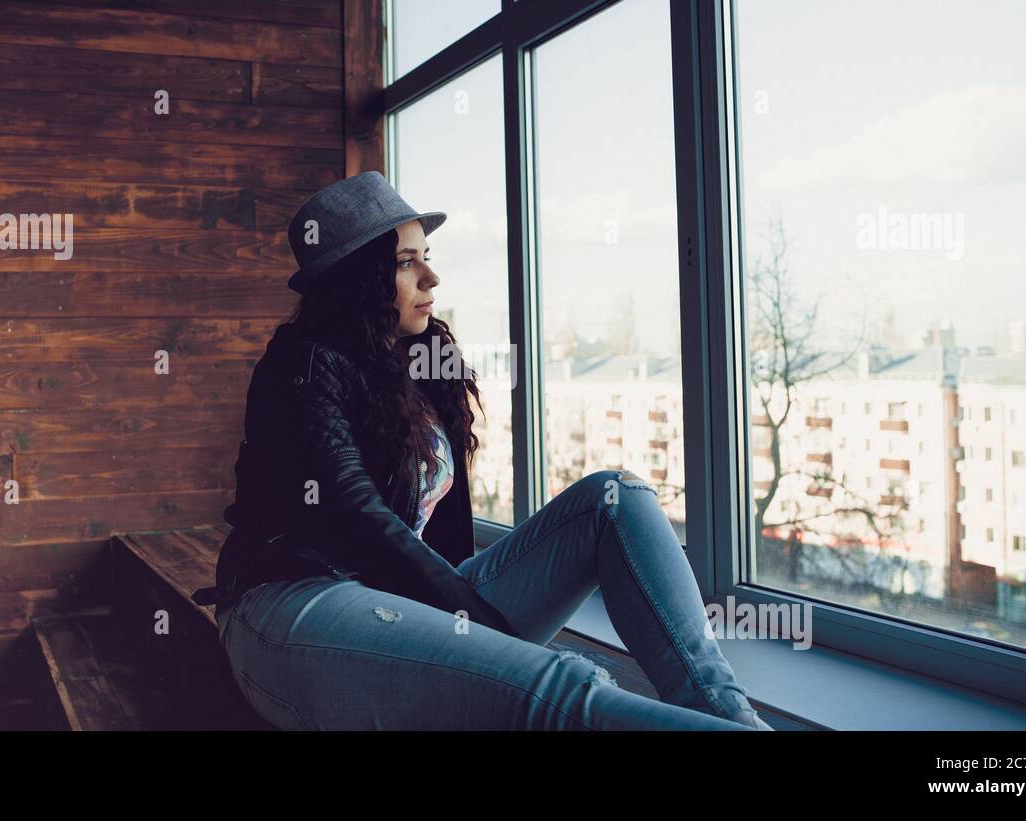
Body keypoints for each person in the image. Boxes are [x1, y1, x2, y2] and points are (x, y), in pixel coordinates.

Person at [204, 171, 772, 731]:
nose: (432, 277)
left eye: (426, 255)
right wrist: (484, 629)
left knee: (613, 499)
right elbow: (358, 519)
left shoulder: (417, 364)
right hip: (292, 610)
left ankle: (730, 717)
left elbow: (443, 536)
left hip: (398, 603)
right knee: (564, 687)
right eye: (406, 262)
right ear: (358, 278)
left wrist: (473, 633)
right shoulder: (301, 363)